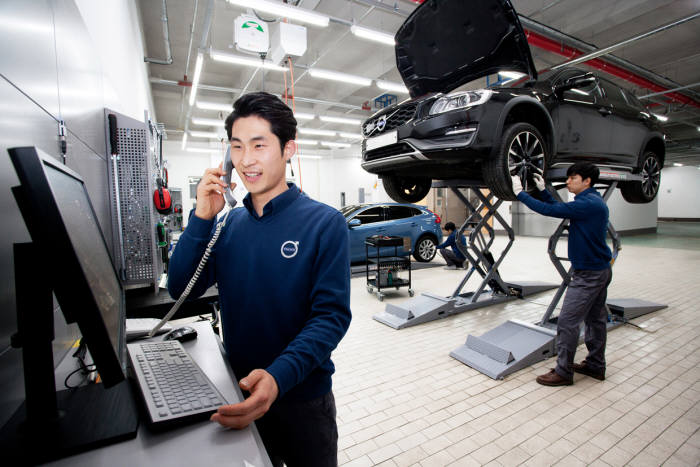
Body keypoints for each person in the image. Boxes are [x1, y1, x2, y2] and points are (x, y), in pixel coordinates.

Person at [168, 91, 352, 466]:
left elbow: (330, 317)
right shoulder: (230, 224)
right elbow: (180, 290)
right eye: (236, 147)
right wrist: (202, 217)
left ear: (288, 150)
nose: (246, 161)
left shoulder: (324, 223)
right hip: (240, 391)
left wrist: (277, 377)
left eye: (259, 145)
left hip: (303, 400)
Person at [511, 162, 612, 386]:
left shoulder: (589, 204)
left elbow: (551, 210)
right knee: (595, 320)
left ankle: (563, 372)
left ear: (587, 181)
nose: (567, 182)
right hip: (599, 270)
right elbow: (561, 208)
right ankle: (596, 365)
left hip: (589, 275)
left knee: (567, 322)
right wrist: (543, 191)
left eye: (572, 178)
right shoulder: (589, 202)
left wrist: (520, 193)